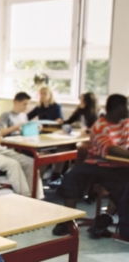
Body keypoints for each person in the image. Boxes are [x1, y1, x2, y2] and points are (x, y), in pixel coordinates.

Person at [53, 94, 129, 237]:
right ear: (119, 108)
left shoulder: (126, 123)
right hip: (97, 164)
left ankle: (106, 218)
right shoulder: (100, 125)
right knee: (72, 177)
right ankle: (67, 221)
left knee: (125, 186)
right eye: (127, 106)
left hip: (120, 166)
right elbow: (110, 149)